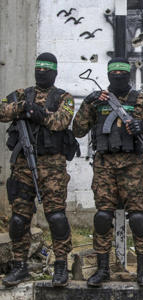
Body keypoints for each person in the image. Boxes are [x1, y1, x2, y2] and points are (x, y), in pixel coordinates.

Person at [73, 57, 143, 287]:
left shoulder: (140, 100)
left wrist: (142, 126)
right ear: (109, 75)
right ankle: (103, 268)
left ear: (129, 74)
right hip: (104, 166)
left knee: (138, 219)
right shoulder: (99, 100)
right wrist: (88, 102)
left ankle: (142, 270)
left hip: (132, 166)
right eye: (115, 74)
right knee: (102, 218)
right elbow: (78, 130)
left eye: (123, 74)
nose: (119, 77)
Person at [1, 53, 78, 287]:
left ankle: (61, 266)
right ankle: (19, 266)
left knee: (56, 217)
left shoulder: (64, 97)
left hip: (53, 166)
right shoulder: (23, 95)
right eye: (39, 69)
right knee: (18, 219)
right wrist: (23, 107)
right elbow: (2, 110)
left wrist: (39, 113)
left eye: (46, 70)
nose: (42, 73)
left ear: (54, 73)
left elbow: (61, 122)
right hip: (24, 165)